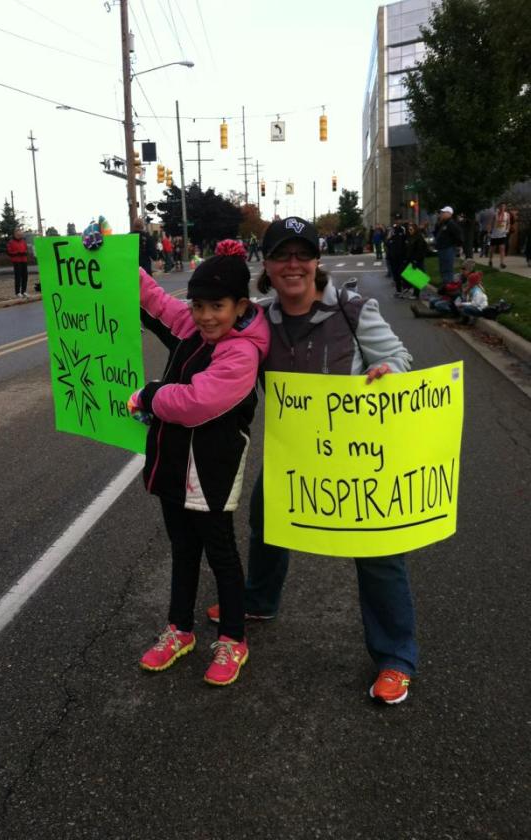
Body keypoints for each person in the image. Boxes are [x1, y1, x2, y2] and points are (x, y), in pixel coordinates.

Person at [206, 217, 417, 705]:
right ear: (268, 265)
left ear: (317, 260)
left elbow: (400, 358)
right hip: (293, 455)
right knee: (266, 519)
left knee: (380, 555)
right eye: (282, 255)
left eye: (303, 254)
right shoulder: (257, 321)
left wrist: (389, 372)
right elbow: (200, 322)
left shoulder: (354, 311)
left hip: (358, 461)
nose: (293, 264)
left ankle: (395, 658)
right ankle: (260, 600)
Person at [133, 240, 270, 686]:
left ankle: (233, 637)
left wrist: (150, 396)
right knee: (182, 548)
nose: (206, 316)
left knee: (221, 554)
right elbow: (155, 301)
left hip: (211, 469)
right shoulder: (193, 327)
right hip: (172, 461)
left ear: (240, 306)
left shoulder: (242, 351)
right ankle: (180, 629)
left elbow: (196, 402)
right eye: (198, 305)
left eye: (217, 306)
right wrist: (114, 265)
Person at [434, 206, 462, 285]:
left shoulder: (451, 224)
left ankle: (449, 288)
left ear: (449, 214)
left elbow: (458, 235)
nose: (441, 214)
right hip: (442, 249)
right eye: (441, 213)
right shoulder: (443, 224)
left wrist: (456, 246)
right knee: (443, 269)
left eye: (443, 213)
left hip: (448, 249)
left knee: (447, 269)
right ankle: (445, 287)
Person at [404, 222, 429, 299]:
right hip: (411, 259)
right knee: (412, 276)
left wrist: (416, 259)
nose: (410, 231)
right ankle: (413, 292)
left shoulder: (418, 237)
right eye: (409, 229)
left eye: (411, 229)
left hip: (417, 259)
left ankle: (417, 294)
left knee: (418, 277)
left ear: (415, 229)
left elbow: (420, 250)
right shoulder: (410, 237)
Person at [385, 214, 407, 297]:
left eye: (399, 220)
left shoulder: (404, 229)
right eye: (396, 220)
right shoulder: (392, 230)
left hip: (402, 255)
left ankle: (406, 287)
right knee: (395, 273)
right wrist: (389, 239)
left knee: (402, 272)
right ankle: (398, 290)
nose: (398, 221)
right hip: (393, 255)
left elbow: (406, 242)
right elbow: (387, 242)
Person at [6, 228, 29, 298]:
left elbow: (26, 249)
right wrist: (17, 253)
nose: (20, 235)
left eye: (20, 233)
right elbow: (9, 252)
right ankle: (17, 292)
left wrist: (25, 252)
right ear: (15, 234)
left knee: (25, 276)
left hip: (24, 260)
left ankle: (24, 291)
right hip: (16, 261)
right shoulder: (11, 242)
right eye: (18, 233)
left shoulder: (23, 241)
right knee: (18, 277)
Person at [488, 202, 510, 269]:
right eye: (501, 206)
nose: (502, 208)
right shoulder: (495, 214)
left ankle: (502, 263)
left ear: (505, 207)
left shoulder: (507, 215)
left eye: (504, 206)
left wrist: (507, 229)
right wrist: (489, 232)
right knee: (492, 249)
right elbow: (490, 223)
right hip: (494, 235)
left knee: (502, 248)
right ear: (499, 207)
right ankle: (490, 260)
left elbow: (508, 223)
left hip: (502, 234)